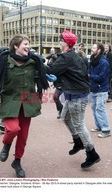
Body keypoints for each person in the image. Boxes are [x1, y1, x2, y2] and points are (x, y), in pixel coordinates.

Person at [0, 34, 49, 178]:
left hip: (29, 100)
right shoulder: (3, 61)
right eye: (25, 44)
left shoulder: (34, 61)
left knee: (23, 137)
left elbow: (46, 72)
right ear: (16, 46)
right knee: (13, 129)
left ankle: (17, 162)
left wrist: (48, 76)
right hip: (10, 100)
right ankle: (6, 144)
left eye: (28, 44)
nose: (28, 47)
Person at [45, 30, 100, 169]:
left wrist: (37, 61)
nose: (59, 41)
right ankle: (78, 141)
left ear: (64, 42)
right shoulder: (72, 56)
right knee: (64, 117)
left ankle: (92, 153)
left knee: (79, 124)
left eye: (60, 39)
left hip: (77, 95)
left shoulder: (67, 57)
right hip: (73, 93)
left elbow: (51, 70)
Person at [89, 42, 111, 138]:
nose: (91, 49)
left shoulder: (104, 62)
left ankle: (106, 129)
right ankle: (98, 126)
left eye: (94, 48)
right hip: (93, 88)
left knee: (100, 109)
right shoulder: (92, 60)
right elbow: (88, 71)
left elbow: (102, 77)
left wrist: (90, 76)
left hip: (101, 89)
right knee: (94, 108)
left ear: (99, 50)